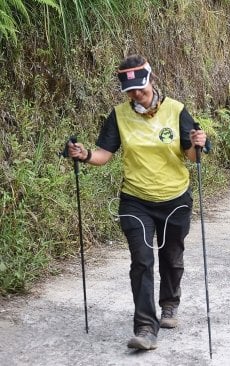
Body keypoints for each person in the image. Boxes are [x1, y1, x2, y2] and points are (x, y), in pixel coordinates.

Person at [66, 55, 207, 350]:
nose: (136, 96)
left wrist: (197, 144)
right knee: (141, 261)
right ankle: (145, 327)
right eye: (130, 92)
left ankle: (169, 303)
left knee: (172, 258)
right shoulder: (118, 115)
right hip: (135, 200)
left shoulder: (177, 110)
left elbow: (191, 158)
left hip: (175, 199)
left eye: (140, 90)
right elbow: (105, 154)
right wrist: (85, 155)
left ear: (152, 81)